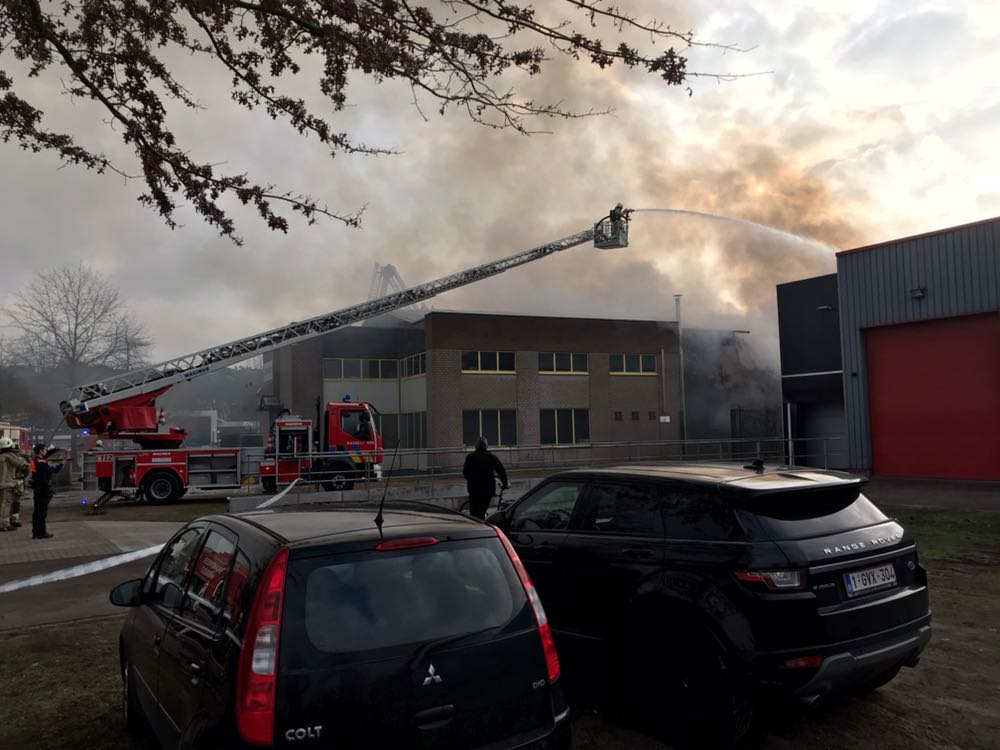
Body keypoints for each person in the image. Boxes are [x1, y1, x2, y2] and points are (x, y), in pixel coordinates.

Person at [462, 436, 509, 520]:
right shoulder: (492, 457)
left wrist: (472, 479)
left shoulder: (470, 457)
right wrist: (504, 484)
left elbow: (465, 472)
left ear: (476, 445)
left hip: (474, 490)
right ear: (486, 446)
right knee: (483, 510)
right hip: (487, 490)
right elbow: (502, 471)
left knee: (475, 513)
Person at [31, 443, 63, 540]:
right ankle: (41, 533)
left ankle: (35, 533)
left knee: (36, 512)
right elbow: (53, 470)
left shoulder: (34, 460)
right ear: (40, 451)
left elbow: (47, 454)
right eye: (44, 449)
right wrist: (62, 463)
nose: (46, 451)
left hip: (37, 488)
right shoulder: (41, 462)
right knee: (42, 512)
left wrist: (57, 449)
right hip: (43, 489)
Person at [0, 437, 29, 532]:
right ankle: (4, 524)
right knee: (6, 504)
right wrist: (23, 456)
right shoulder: (9, 456)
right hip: (7, 485)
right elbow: (22, 464)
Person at [9, 443, 30, 529]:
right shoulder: (22, 460)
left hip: (8, 482)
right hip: (19, 483)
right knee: (16, 502)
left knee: (6, 502)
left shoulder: (6, 459)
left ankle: (6, 519)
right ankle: (14, 520)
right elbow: (27, 472)